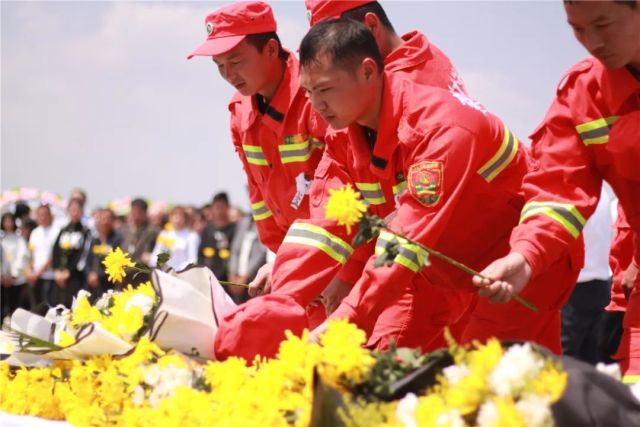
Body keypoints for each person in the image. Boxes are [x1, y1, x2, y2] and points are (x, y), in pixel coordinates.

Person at [260, 19, 575, 353]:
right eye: (308, 92)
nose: (316, 106)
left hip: (516, 267)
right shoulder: (343, 138)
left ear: (368, 71)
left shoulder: (440, 128)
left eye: (325, 90)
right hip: (439, 269)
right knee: (382, 362)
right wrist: (274, 307)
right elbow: (322, 228)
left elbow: (404, 241)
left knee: (496, 385)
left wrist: (343, 321)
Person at [471, 1, 640, 379]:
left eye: (603, 24)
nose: (592, 42)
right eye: (577, 29)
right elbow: (556, 190)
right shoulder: (584, 95)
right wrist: (525, 255)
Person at [187, 2, 327, 311]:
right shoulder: (240, 113)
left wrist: (303, 264)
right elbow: (260, 196)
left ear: (270, 49)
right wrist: (282, 259)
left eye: (235, 61)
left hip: (338, 259)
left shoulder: (317, 94)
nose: (228, 75)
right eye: (219, 65)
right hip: (295, 265)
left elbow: (343, 190)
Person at [560, 187, 614, 364]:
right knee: (590, 354)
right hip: (601, 281)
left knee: (566, 353)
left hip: (578, 284)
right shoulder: (603, 194)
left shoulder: (575, 197)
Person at [51, 198, 91, 307]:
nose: (75, 213)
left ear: (82, 212)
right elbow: (56, 251)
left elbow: (82, 254)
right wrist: (57, 270)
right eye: (72, 210)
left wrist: (69, 271)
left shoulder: (85, 231)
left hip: (75, 276)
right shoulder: (63, 230)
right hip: (59, 276)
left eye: (77, 210)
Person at [25, 204, 59, 307]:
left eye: (44, 214)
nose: (42, 217)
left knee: (49, 309)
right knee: (36, 308)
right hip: (35, 278)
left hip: (50, 276)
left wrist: (38, 273)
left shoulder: (56, 231)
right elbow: (31, 254)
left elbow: (53, 256)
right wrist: (30, 272)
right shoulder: (35, 232)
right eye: (39, 215)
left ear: (50, 215)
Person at [198, 192, 236, 282]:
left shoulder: (235, 229)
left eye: (222, 207)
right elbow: (200, 255)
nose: (219, 211)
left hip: (229, 279)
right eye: (216, 207)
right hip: (209, 277)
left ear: (228, 207)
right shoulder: (208, 230)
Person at [85, 208, 123, 300]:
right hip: (92, 285)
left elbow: (116, 263)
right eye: (101, 218)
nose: (104, 221)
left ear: (113, 221)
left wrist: (98, 275)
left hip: (108, 285)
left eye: (107, 218)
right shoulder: (95, 240)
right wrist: (89, 274)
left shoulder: (118, 239)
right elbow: (88, 261)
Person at [150, 206, 199, 271]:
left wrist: (178, 270)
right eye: (175, 216)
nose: (177, 219)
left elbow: (192, 259)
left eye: (181, 217)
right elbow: (156, 252)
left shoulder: (192, 236)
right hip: (164, 272)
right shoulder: (164, 234)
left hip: (182, 273)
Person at [1, 212, 29, 320]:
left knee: (15, 308)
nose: (8, 223)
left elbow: (22, 257)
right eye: (6, 221)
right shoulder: (1, 239)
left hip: (16, 280)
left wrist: (14, 275)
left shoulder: (19, 240)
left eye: (10, 221)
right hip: (2, 279)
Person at [120, 198, 159, 266]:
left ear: (145, 213)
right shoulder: (124, 231)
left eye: (139, 213)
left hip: (145, 273)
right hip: (125, 273)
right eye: (134, 212)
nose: (136, 216)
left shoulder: (154, 232)